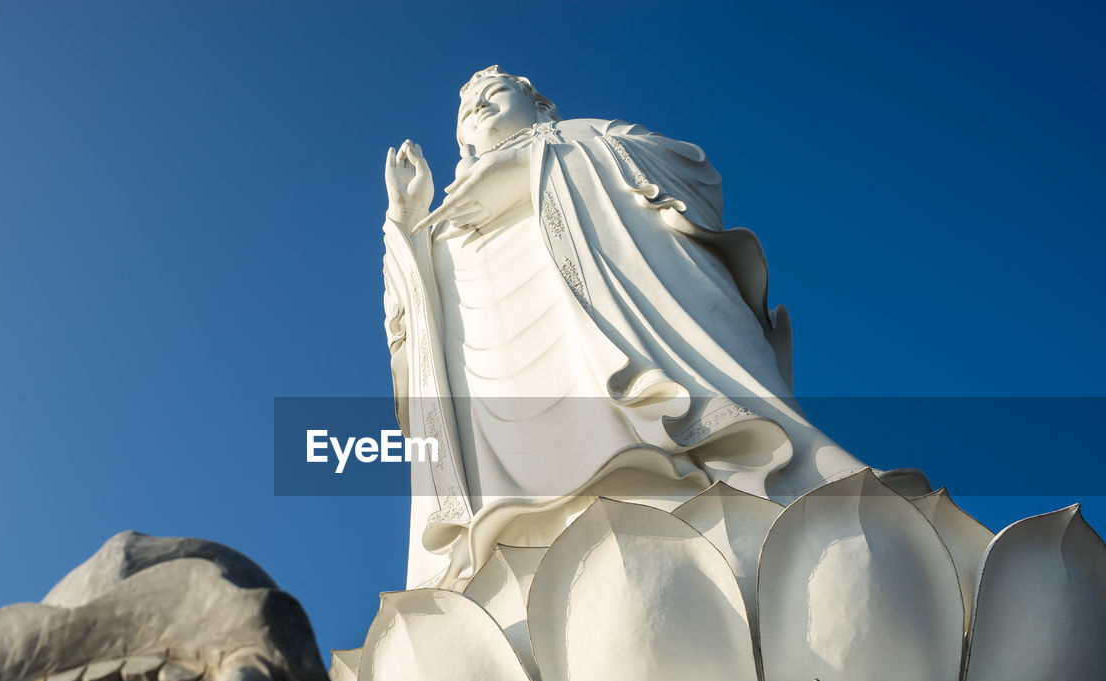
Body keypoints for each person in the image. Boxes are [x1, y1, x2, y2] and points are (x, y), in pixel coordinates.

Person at [382, 66, 900, 590]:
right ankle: (504, 564)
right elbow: (412, 341)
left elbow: (692, 174)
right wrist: (406, 223)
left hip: (631, 357)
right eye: (467, 112)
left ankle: (712, 489)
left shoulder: (588, 139)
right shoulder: (442, 222)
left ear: (540, 106)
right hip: (503, 395)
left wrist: (532, 166)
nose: (478, 110)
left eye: (494, 95)